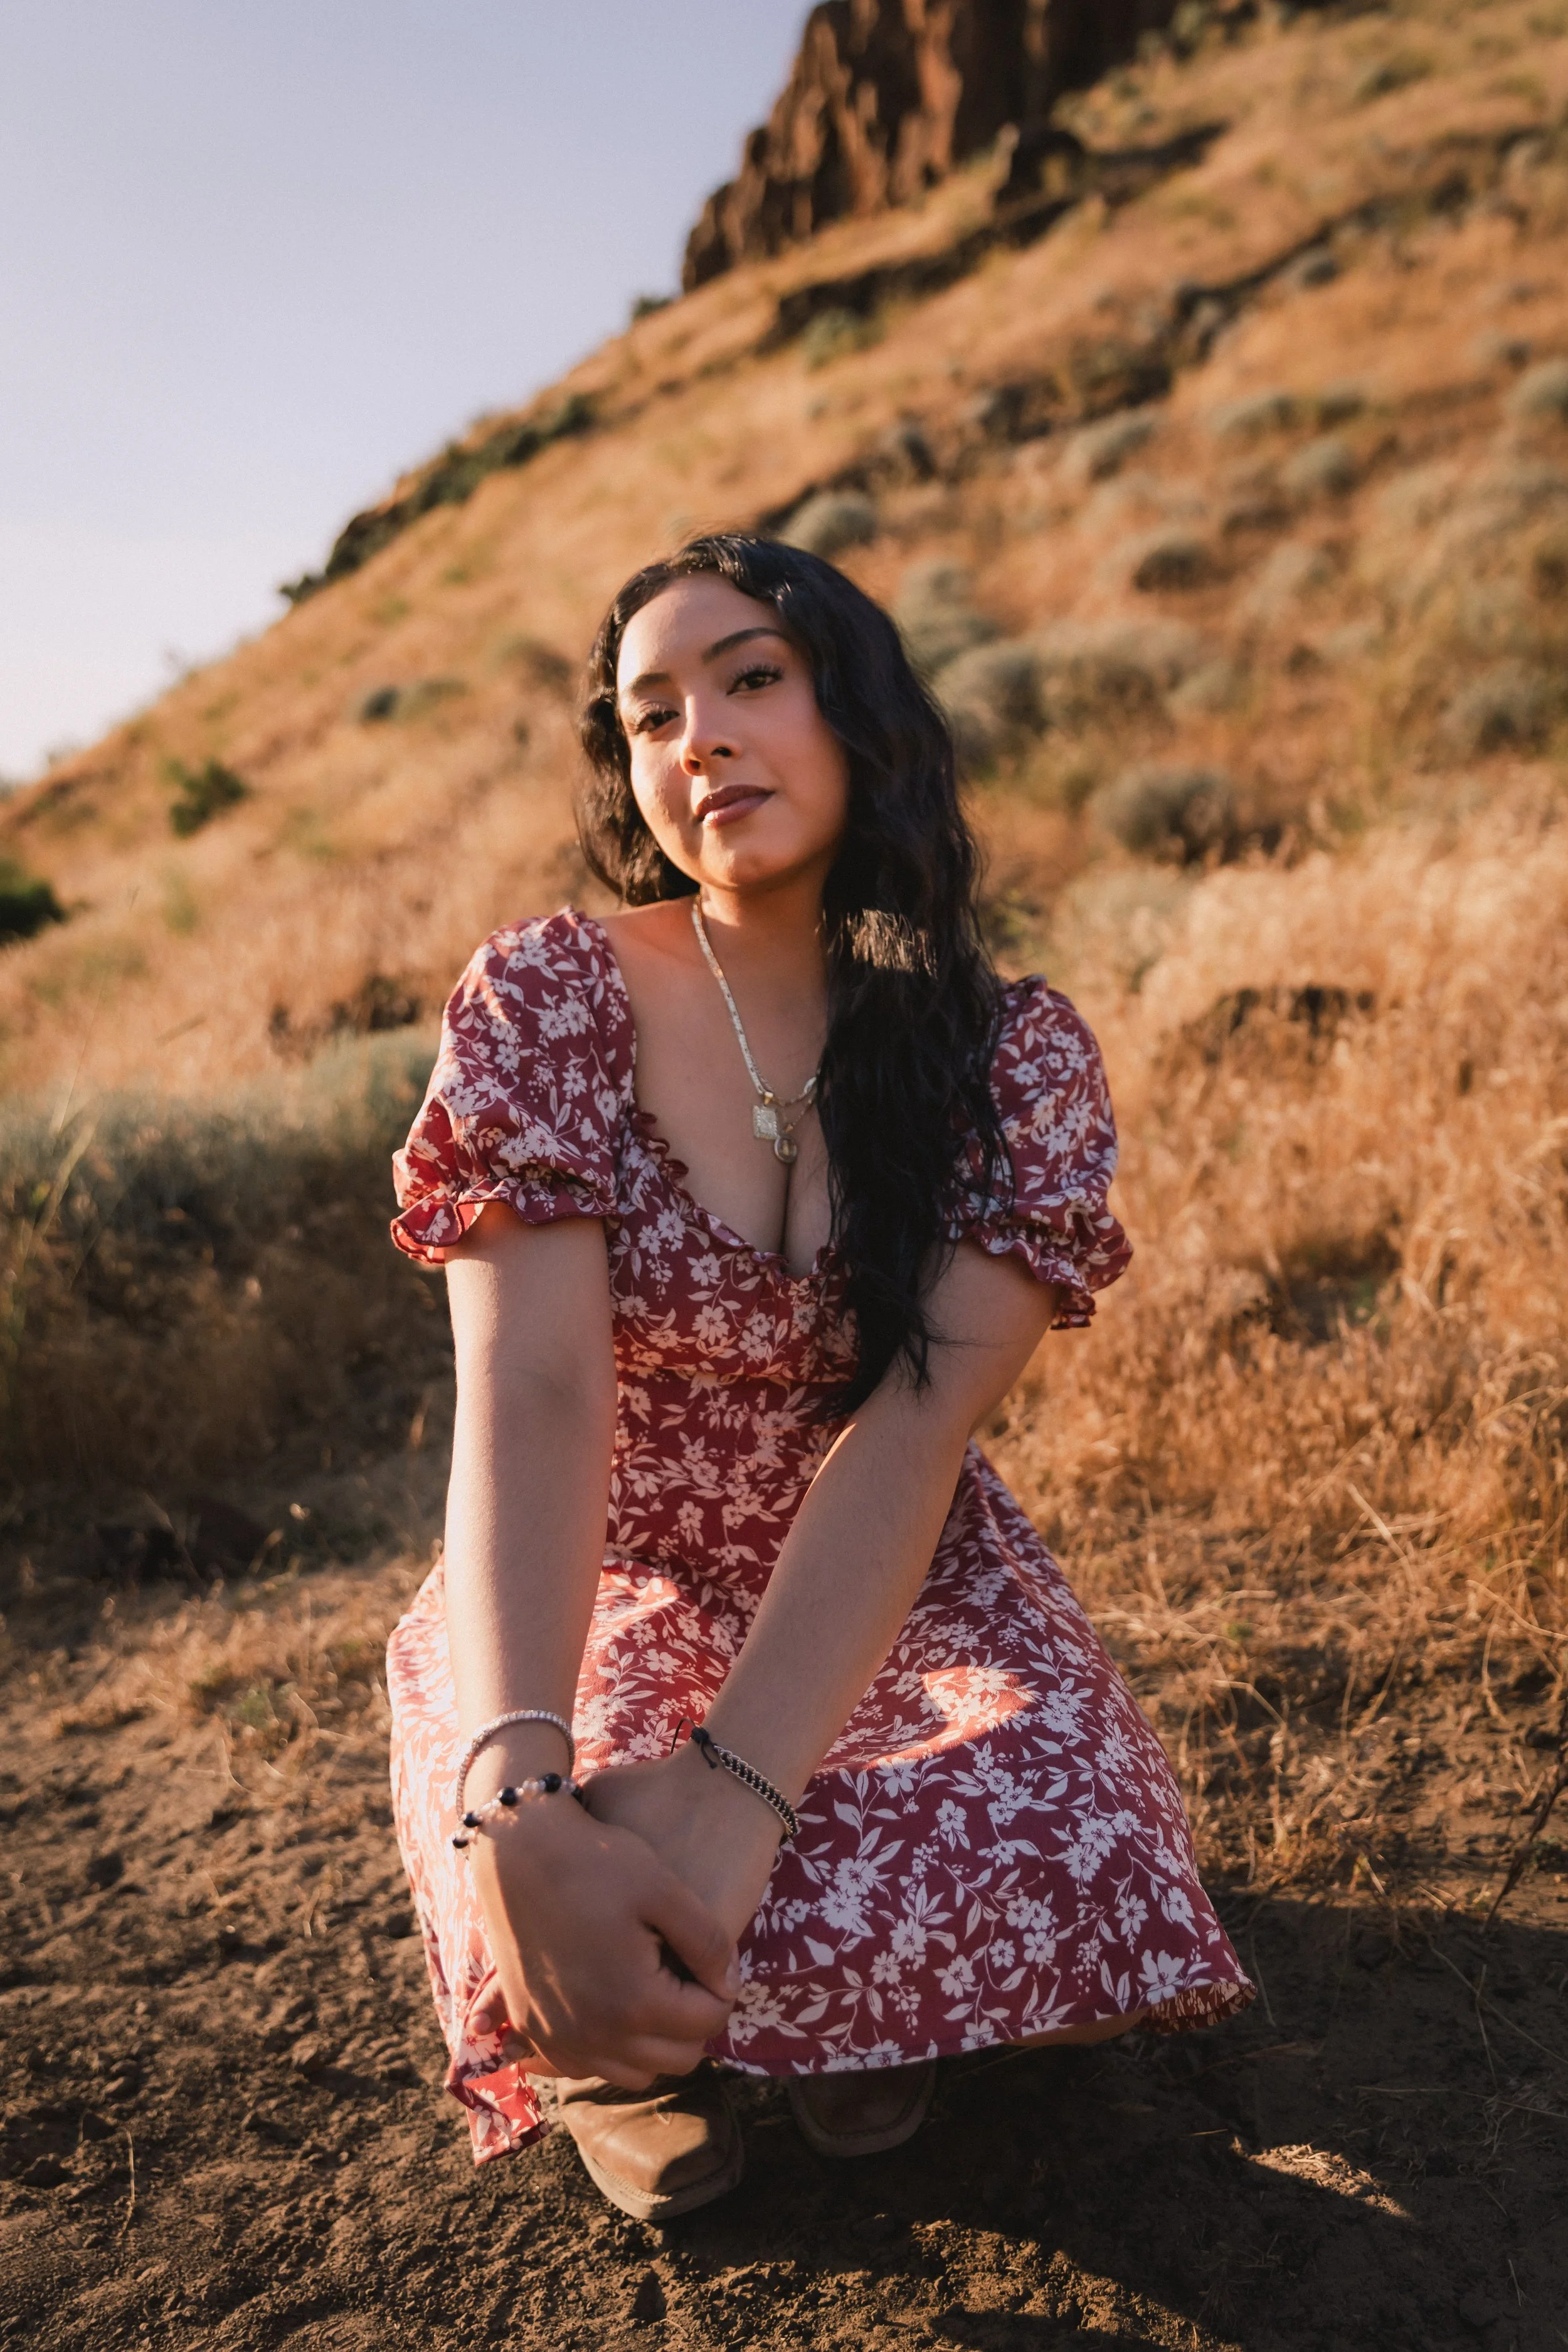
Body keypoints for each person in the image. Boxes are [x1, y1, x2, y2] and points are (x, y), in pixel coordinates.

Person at [384, 534, 1251, 2221]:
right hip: (606, 1562)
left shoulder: (1011, 1057)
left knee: (1045, 1822)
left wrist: (736, 1786)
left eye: (749, 677)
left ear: (857, 708)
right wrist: (523, 1784)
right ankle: (661, 2025)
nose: (695, 735)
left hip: (890, 1574)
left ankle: (728, 2002)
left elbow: (913, 1428)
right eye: (649, 713)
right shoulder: (546, 999)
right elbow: (536, 1392)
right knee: (551, 1835)